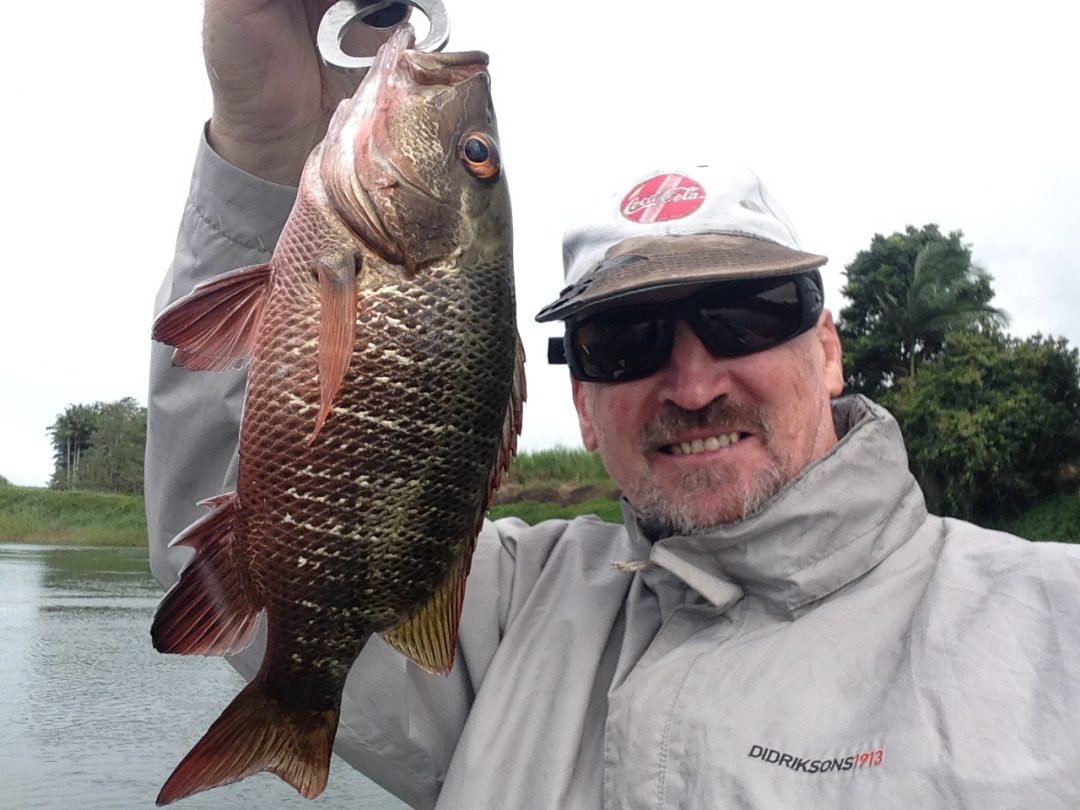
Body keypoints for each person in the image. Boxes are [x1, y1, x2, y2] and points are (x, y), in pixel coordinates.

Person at [147, 3, 1080, 808]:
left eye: (744, 314)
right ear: (583, 407)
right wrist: (264, 147)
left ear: (829, 349)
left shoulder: (1053, 626)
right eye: (624, 340)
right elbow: (248, 519)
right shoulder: (508, 612)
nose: (694, 380)